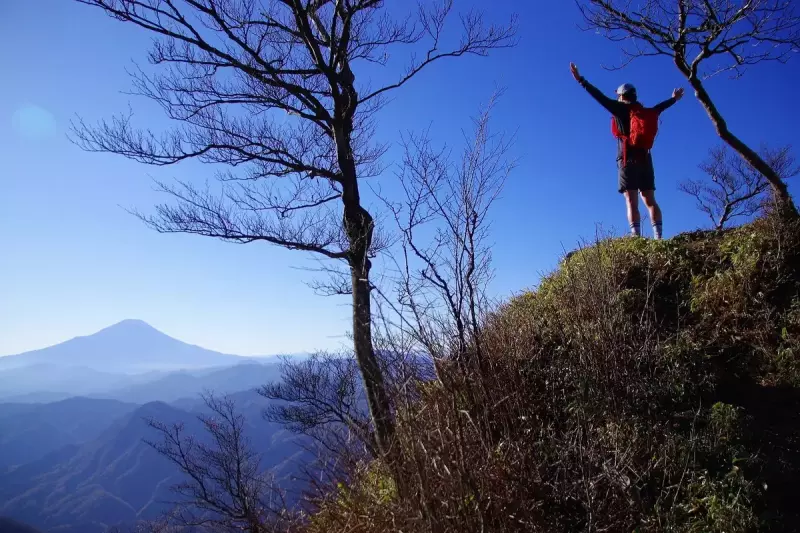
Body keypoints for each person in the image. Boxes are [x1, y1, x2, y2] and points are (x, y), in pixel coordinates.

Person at [570, 63, 684, 239]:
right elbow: (659, 108)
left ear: (622, 96)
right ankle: (659, 237)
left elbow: (598, 96)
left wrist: (580, 80)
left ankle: (636, 237)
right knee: (650, 199)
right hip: (645, 158)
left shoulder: (619, 109)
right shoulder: (645, 112)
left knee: (631, 201)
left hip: (626, 158)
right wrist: (674, 99)